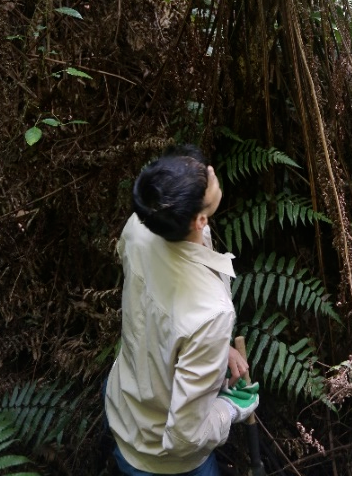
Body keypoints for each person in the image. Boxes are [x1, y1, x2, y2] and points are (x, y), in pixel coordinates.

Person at [105, 146, 258, 476]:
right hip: (163, 460)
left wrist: (218, 348)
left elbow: (157, 309)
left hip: (124, 407)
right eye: (206, 178)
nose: (211, 171)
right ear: (199, 218)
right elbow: (184, 436)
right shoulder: (210, 313)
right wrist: (230, 408)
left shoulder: (141, 224)